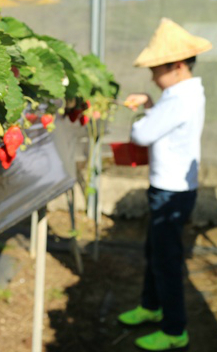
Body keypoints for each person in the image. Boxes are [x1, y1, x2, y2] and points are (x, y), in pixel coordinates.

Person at [117, 18, 212, 351]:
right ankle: (150, 306)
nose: (153, 76)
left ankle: (175, 331)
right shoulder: (183, 94)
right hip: (170, 187)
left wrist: (144, 115)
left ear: (178, 66)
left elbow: (142, 134)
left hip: (170, 192)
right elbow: (164, 126)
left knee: (167, 261)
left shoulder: (179, 98)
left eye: (157, 69)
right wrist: (149, 106)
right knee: (154, 251)